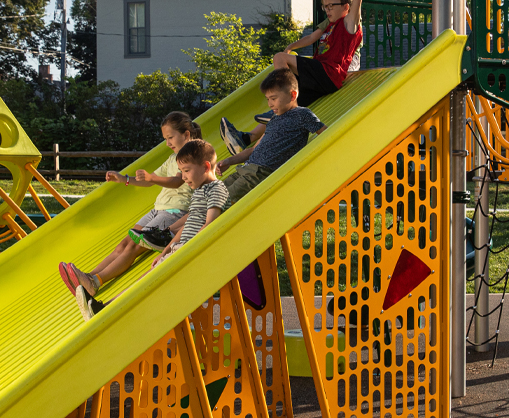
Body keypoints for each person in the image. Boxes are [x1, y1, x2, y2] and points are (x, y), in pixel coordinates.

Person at [58, 111, 216, 298]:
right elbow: (149, 181)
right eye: (166, 139)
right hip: (157, 210)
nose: (168, 143)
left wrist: (153, 177)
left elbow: (176, 181)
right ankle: (87, 278)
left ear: (187, 134)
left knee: (133, 246)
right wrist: (124, 179)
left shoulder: (194, 158)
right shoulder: (172, 159)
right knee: (124, 242)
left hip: (174, 212)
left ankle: (96, 281)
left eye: (171, 137)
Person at [220, 0, 365, 148]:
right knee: (284, 113)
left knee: (280, 58)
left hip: (328, 73)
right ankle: (247, 140)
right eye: (326, 7)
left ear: (346, 7)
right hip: (321, 78)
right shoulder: (329, 25)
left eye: (332, 7)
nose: (328, 10)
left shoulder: (348, 24)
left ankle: (279, 99)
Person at [75, 139, 227, 320]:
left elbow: (210, 224)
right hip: (181, 248)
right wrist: (166, 250)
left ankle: (107, 311)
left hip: (191, 250)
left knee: (148, 283)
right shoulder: (200, 191)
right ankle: (105, 309)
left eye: (186, 171)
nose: (184, 177)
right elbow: (187, 226)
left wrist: (185, 250)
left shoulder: (217, 189)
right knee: (146, 280)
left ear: (206, 166)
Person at [214, 68, 327, 205]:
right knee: (210, 198)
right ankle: (183, 226)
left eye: (274, 98)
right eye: (268, 99)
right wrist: (229, 161)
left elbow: (327, 134)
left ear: (292, 95)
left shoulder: (302, 114)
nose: (270, 104)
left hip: (261, 173)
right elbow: (253, 150)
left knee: (219, 204)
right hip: (245, 169)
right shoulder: (274, 118)